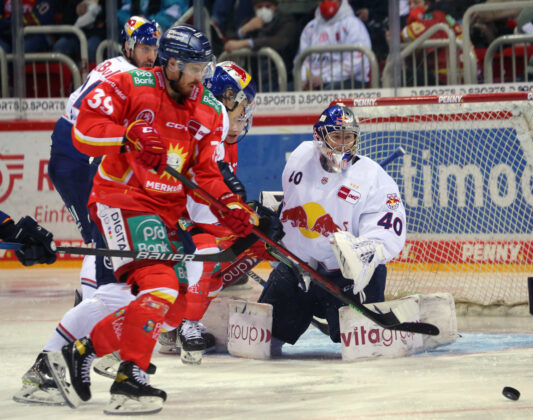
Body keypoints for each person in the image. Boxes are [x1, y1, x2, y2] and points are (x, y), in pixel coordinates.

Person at [44, 24, 256, 415]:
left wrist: (235, 212)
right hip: (120, 198)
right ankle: (130, 379)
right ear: (171, 64)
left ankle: (84, 352)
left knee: (170, 301)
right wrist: (127, 135)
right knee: (159, 286)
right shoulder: (132, 83)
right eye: (192, 69)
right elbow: (85, 132)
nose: (199, 78)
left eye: (202, 68)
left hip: (164, 211)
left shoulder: (208, 109)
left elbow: (206, 175)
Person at [12, 16, 161, 407]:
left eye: (153, 48)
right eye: (143, 47)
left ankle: (87, 340)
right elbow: (81, 120)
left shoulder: (138, 75)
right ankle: (56, 360)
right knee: (112, 265)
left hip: (91, 164)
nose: (149, 55)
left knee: (114, 264)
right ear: (128, 46)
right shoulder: (118, 72)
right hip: (79, 163)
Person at [258, 104, 406, 354]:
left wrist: (362, 252)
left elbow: (388, 228)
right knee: (261, 344)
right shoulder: (301, 157)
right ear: (319, 136)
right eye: (336, 136)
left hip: (345, 279)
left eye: (348, 137)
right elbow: (291, 203)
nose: (342, 144)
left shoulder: (373, 177)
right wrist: (276, 223)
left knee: (363, 350)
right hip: (297, 271)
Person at [157, 61, 266, 365]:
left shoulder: (227, 139)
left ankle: (179, 321)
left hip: (197, 219)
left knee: (257, 243)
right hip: (173, 218)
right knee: (205, 249)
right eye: (241, 104)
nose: (245, 113)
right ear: (223, 100)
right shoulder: (198, 124)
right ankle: (185, 323)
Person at [222, 0, 298, 91]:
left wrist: (246, 43)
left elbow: (279, 41)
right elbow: (229, 43)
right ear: (254, 8)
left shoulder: (286, 20)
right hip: (254, 80)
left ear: (275, 7)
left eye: (268, 6)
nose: (263, 10)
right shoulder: (250, 22)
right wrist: (244, 29)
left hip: (281, 80)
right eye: (259, 7)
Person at [296, 0, 372, 90]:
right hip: (314, 82)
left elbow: (357, 61)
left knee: (328, 92)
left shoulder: (353, 25)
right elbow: (302, 60)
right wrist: (304, 79)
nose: (326, 2)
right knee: (289, 90)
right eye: (322, 1)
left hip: (348, 80)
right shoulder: (310, 27)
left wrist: (324, 78)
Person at [117, 0, 190, 31]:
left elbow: (172, 16)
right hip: (132, 35)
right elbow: (123, 12)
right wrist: (132, 21)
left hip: (166, 40)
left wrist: (144, 23)